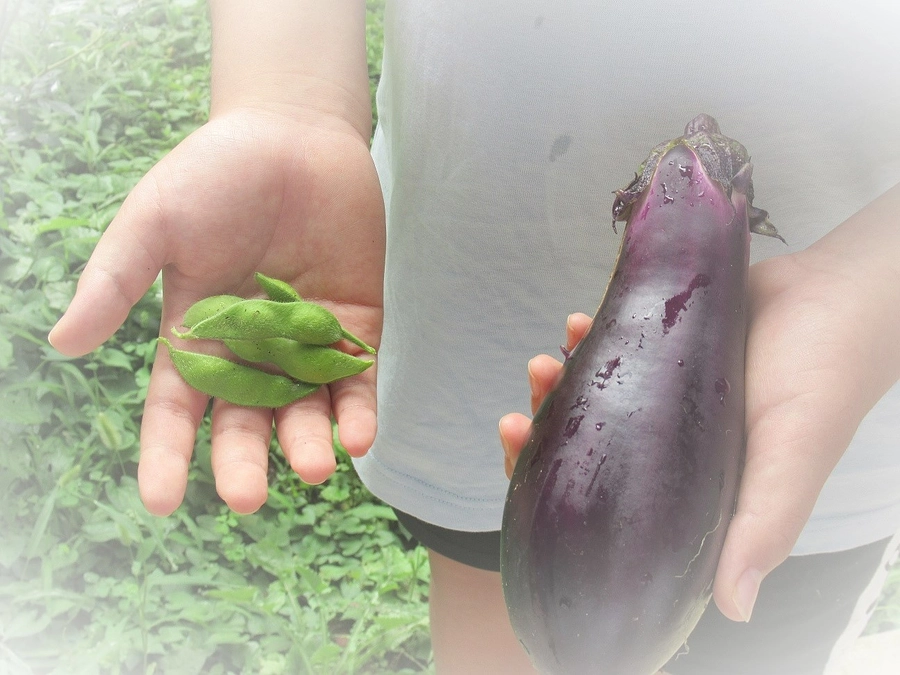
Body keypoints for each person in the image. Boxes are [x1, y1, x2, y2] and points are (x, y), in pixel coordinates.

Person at [48, 2, 900, 673]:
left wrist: (874, 283)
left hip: (830, 391)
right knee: (532, 625)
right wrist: (286, 93)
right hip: (474, 354)